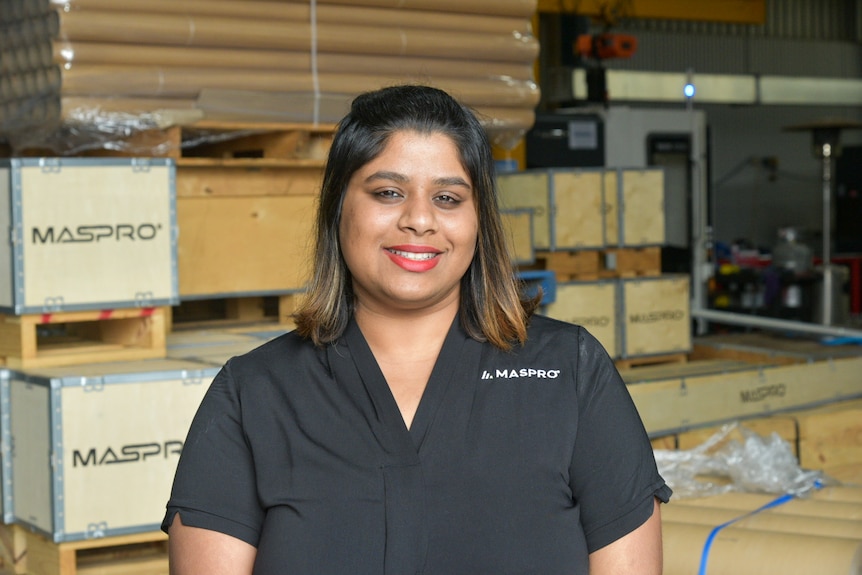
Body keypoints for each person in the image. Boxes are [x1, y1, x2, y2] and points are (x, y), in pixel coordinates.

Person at [162, 84, 671, 575]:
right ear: (339, 208)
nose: (420, 220)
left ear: (479, 221)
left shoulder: (572, 374)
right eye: (388, 192)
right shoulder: (253, 393)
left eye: (448, 198)